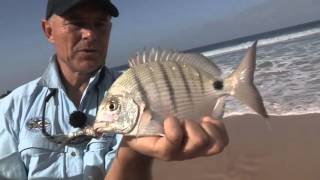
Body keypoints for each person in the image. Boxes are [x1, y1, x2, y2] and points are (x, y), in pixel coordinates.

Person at [0, 0, 229, 179]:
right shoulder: (10, 110)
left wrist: (132, 153)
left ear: (109, 29)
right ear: (48, 31)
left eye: (99, 24)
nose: (89, 34)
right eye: (76, 22)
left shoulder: (133, 90)